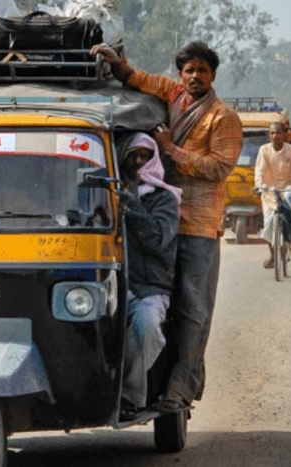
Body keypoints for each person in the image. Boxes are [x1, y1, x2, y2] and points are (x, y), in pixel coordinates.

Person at [91, 41, 243, 411]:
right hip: (157, 212)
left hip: (196, 224)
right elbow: (140, 80)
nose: (194, 77)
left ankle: (180, 388)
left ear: (213, 76)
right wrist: (117, 64)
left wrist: (170, 150)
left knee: (192, 308)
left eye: (201, 71)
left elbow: (219, 168)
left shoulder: (223, 117)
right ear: (180, 74)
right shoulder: (173, 94)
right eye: (188, 70)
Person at [116, 133, 180, 416]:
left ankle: (127, 396)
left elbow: (156, 239)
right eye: (134, 156)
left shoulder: (164, 199)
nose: (139, 162)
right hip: (111, 286)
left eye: (145, 156)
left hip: (149, 289)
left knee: (147, 327)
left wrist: (132, 205)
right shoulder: (109, 194)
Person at [254, 122, 291, 268]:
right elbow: (259, 170)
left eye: (278, 133)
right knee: (268, 223)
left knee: (289, 212)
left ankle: (287, 240)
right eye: (272, 133)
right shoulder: (264, 150)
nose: (275, 136)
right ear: (269, 135)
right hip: (269, 191)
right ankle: (272, 255)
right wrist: (259, 185)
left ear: (284, 134)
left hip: (288, 189)